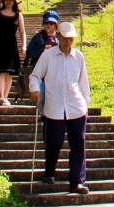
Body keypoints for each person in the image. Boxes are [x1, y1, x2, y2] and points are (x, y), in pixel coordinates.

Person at [29, 22, 91, 195]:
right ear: (58, 36)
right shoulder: (48, 55)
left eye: (71, 38)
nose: (68, 41)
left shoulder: (78, 57)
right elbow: (35, 75)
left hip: (75, 106)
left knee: (78, 143)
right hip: (54, 106)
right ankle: (49, 171)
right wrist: (34, 89)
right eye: (65, 37)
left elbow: (83, 82)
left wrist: (86, 104)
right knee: (54, 142)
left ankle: (76, 181)